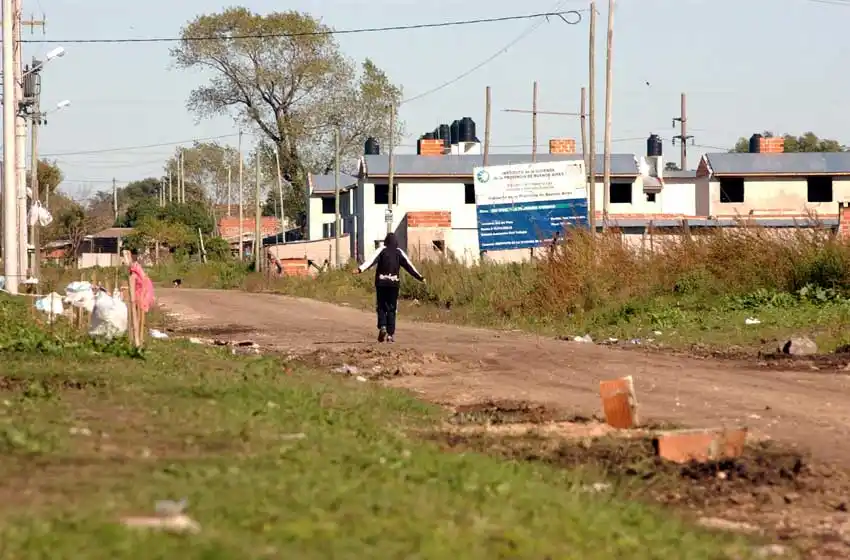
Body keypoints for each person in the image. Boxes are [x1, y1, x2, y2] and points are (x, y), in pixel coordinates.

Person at [353, 233, 425, 343]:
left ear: (386, 241)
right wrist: (420, 277)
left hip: (381, 283)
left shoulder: (382, 250)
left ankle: (383, 326)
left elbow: (370, 261)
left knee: (381, 306)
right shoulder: (399, 252)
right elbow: (409, 266)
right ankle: (390, 335)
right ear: (396, 242)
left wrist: (360, 269)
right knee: (392, 308)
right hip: (393, 284)